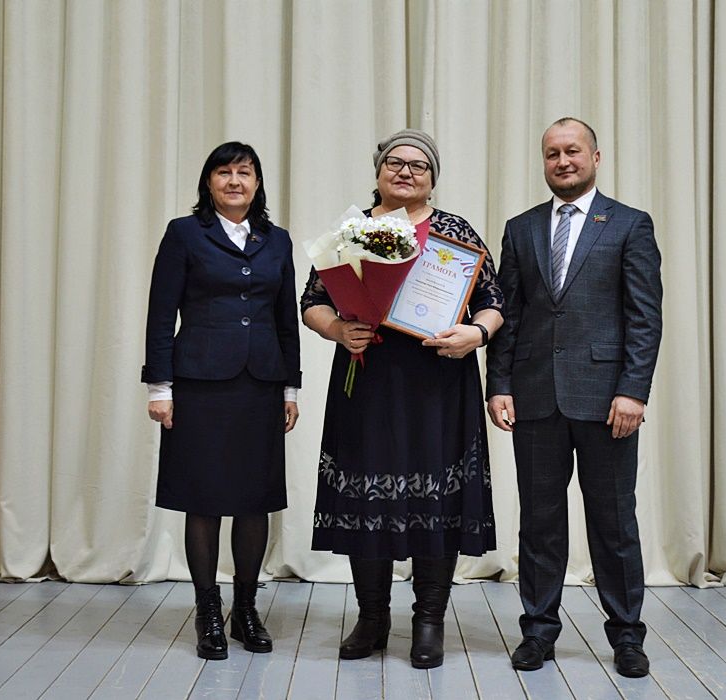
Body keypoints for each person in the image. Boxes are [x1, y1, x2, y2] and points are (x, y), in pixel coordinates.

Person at [301, 129, 503, 669]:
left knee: (434, 499)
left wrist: (475, 335)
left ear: (433, 178)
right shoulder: (355, 230)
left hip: (439, 384)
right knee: (366, 499)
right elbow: (312, 302)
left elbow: (494, 301)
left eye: (419, 165)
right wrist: (338, 330)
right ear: (378, 172)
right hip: (367, 384)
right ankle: (371, 618)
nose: (406, 171)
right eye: (395, 162)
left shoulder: (454, 232)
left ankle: (429, 621)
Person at [486, 118, 663, 678]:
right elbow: (508, 316)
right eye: (552, 154)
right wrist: (500, 384)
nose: (563, 161)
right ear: (543, 162)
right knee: (539, 523)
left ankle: (627, 636)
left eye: (573, 152)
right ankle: (538, 632)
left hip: (607, 401)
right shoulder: (521, 229)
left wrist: (632, 391)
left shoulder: (630, 225)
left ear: (596, 156)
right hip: (536, 399)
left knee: (614, 522)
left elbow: (644, 318)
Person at [141, 142, 301, 661]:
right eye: (224, 172)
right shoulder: (185, 234)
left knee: (254, 499)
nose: (235, 181)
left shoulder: (277, 241)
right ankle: (208, 610)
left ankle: (246, 609)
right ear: (208, 182)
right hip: (200, 384)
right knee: (205, 498)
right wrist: (159, 387)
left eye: (245, 172)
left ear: (258, 183)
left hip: (260, 383)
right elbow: (161, 314)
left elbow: (285, 320)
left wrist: (290, 386)